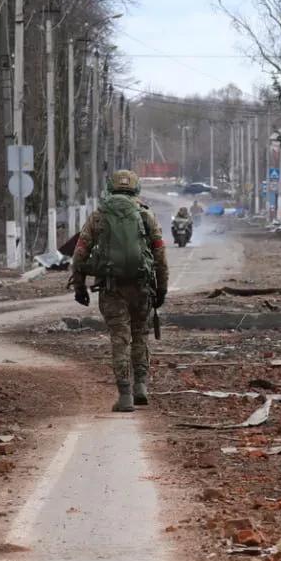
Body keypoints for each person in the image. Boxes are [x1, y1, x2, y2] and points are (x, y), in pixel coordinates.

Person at [70, 169, 169, 412]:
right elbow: (160, 255)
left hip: (112, 289)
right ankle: (141, 387)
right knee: (140, 335)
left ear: (110, 188)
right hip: (142, 288)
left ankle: (125, 395)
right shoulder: (146, 216)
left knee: (120, 339)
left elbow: (79, 254)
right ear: (136, 188)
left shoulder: (99, 216)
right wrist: (162, 288)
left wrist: (80, 286)